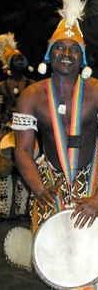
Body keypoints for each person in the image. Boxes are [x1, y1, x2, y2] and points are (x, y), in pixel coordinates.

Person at [6, 0, 98, 289]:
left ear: (83, 57)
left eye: (74, 49)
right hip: (50, 181)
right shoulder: (31, 97)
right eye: (59, 48)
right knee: (57, 262)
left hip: (95, 179)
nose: (66, 53)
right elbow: (22, 148)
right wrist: (38, 187)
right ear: (49, 54)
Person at [0, 32, 35, 219]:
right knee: (6, 171)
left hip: (23, 133)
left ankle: (15, 210)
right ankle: (10, 209)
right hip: (10, 134)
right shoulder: (5, 86)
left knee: (21, 170)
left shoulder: (32, 87)